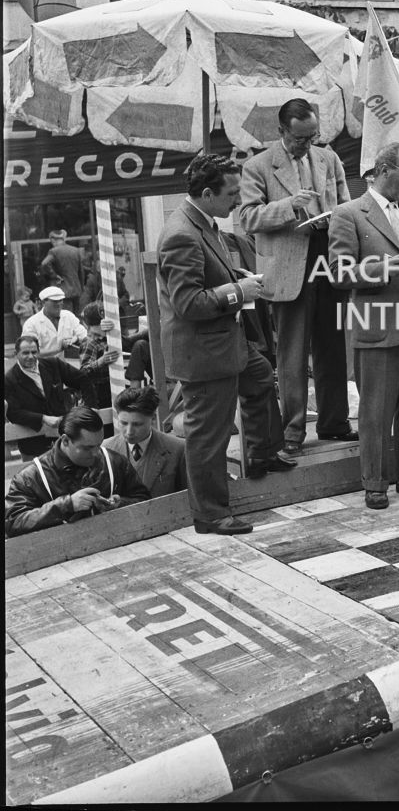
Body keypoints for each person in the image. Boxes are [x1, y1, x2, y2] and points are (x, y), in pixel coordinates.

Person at [157, 154, 296, 537]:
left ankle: (262, 452)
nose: (239, 200)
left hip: (224, 344)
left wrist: (236, 276)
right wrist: (239, 290)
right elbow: (188, 303)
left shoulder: (201, 222)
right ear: (207, 193)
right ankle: (211, 515)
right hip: (205, 353)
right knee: (209, 437)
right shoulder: (182, 234)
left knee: (261, 377)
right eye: (233, 193)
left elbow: (206, 272)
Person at [328, 142, 399, 509]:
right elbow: (338, 273)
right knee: (375, 412)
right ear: (382, 170)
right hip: (377, 327)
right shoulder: (349, 213)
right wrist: (390, 266)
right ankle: (375, 482)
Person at [239, 98, 356, 455]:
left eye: (313, 136)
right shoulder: (257, 166)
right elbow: (248, 218)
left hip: (328, 257)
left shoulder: (328, 158)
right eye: (300, 138)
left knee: (333, 347)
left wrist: (335, 219)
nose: (307, 144)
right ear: (281, 132)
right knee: (292, 354)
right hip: (289, 266)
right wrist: (289, 206)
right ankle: (292, 430)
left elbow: (347, 206)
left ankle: (334, 421)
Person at [5, 406, 151, 537]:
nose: (96, 453)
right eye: (88, 448)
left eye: (98, 445)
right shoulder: (30, 478)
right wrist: (66, 505)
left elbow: (145, 500)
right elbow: (12, 522)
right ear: (65, 441)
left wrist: (120, 503)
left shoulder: (115, 461)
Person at [4, 334, 111, 458]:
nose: (31, 356)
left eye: (34, 352)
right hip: (32, 443)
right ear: (16, 354)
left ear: (39, 351)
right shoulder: (9, 379)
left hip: (63, 438)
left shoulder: (53, 364)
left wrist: (91, 407)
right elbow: (13, 413)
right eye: (25, 353)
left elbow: (83, 379)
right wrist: (43, 418)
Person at [104, 386, 187, 499]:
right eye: (123, 423)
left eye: (137, 424)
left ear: (153, 419)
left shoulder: (178, 449)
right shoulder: (105, 449)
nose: (129, 432)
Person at [77, 301, 121, 410]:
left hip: (111, 390)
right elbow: (83, 372)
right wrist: (102, 361)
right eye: (96, 334)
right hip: (95, 395)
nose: (100, 337)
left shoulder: (110, 339)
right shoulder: (90, 343)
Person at [21, 285, 88, 357]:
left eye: (61, 300)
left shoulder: (68, 316)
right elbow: (29, 352)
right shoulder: (31, 323)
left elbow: (84, 335)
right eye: (55, 301)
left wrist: (75, 339)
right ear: (43, 302)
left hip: (65, 363)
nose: (59, 304)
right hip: (42, 363)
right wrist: (59, 349)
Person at [39, 230, 85, 313]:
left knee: (64, 315)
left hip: (62, 290)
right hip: (76, 289)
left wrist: (54, 275)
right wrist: (81, 287)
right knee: (76, 315)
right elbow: (81, 272)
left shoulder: (54, 251)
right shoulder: (76, 250)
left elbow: (44, 264)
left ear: (53, 240)